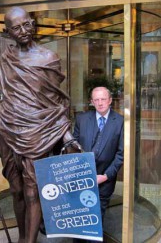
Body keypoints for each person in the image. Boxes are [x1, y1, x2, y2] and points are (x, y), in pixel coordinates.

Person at [0, 6, 81, 243]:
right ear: (8, 32)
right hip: (9, 133)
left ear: (33, 24)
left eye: (26, 25)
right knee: (16, 190)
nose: (23, 31)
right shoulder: (7, 58)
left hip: (38, 134)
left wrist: (66, 137)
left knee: (33, 191)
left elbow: (55, 106)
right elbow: (6, 105)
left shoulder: (48, 59)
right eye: (16, 28)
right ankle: (23, 236)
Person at [73, 86, 124, 243]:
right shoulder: (82, 119)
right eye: (96, 100)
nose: (100, 103)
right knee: (79, 216)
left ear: (110, 101)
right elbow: (73, 145)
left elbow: (121, 154)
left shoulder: (120, 122)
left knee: (96, 219)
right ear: (91, 102)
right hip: (81, 178)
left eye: (103, 99)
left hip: (104, 180)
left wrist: (106, 176)